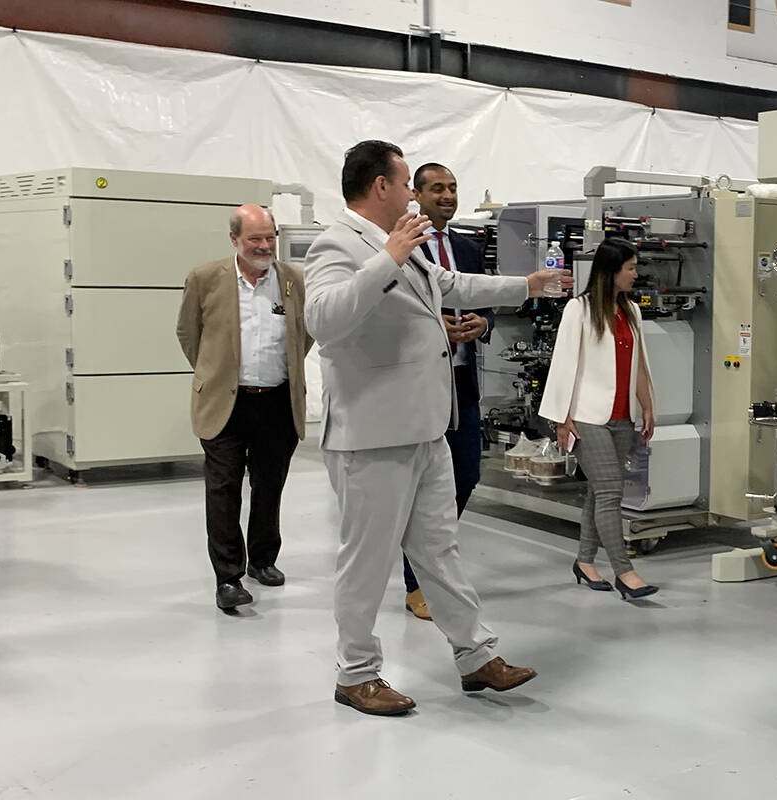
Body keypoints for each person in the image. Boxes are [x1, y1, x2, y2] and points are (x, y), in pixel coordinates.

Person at [305, 139, 568, 716]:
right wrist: (389, 259)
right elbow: (323, 319)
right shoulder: (340, 243)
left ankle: (475, 656)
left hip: (426, 429)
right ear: (381, 187)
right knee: (366, 561)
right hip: (372, 438)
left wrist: (525, 287)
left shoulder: (403, 246)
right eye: (406, 184)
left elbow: (450, 288)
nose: (414, 196)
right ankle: (356, 674)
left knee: (441, 551)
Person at [176, 205, 312, 611]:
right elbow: (188, 334)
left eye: (269, 237)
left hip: (277, 401)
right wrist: (214, 374)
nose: (264, 245)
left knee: (270, 486)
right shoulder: (205, 278)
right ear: (234, 239)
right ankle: (228, 577)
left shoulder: (294, 280)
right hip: (225, 404)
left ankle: (263, 559)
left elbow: (304, 335)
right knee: (223, 490)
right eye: (255, 238)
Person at [539, 237, 659, 600]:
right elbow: (563, 364)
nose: (636, 275)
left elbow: (638, 364)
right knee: (610, 490)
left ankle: (584, 561)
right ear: (611, 272)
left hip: (622, 416)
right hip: (586, 417)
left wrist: (648, 405)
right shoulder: (579, 309)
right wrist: (562, 418)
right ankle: (625, 572)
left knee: (598, 490)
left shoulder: (632, 311)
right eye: (631, 268)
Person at [399, 162, 492, 622]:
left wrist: (484, 324)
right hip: (420, 384)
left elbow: (481, 301)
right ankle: (418, 582)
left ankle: (432, 564)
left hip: (463, 382)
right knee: (419, 487)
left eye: (453, 187)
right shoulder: (403, 247)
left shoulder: (469, 249)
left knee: (467, 476)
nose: (448, 195)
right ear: (415, 195)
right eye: (437, 188)